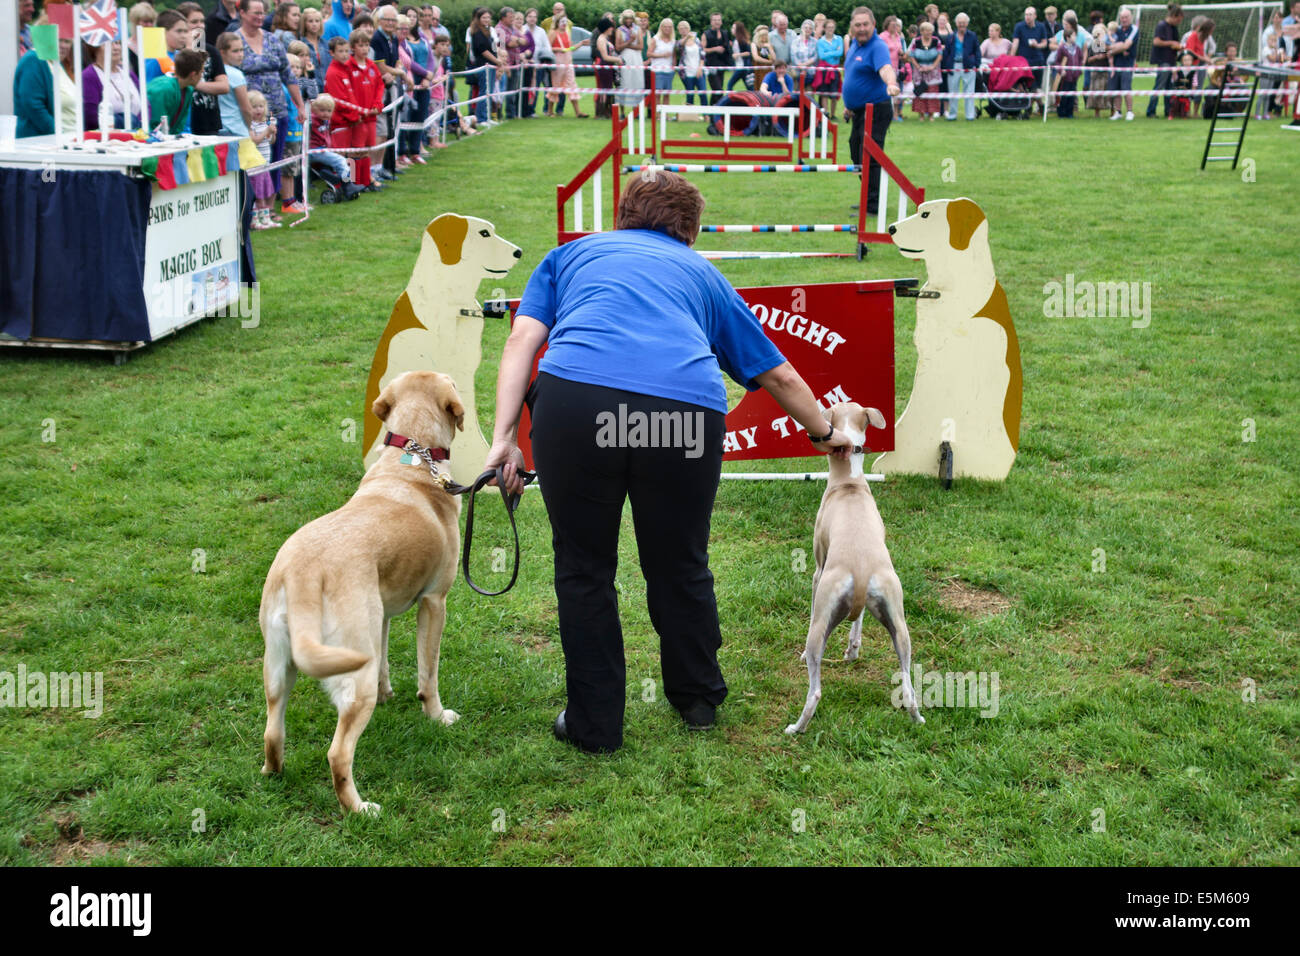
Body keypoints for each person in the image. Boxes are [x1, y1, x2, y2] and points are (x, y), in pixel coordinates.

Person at [485, 171, 854, 754]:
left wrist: (505, 437)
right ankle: (698, 699)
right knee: (681, 561)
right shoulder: (703, 274)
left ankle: (595, 726)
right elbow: (777, 374)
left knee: (583, 570)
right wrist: (825, 431)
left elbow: (520, 343)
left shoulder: (569, 254)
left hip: (576, 406)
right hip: (681, 414)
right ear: (691, 230)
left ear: (622, 214)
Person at [237, 0, 305, 201]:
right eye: (255, 12)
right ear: (242, 12)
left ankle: (270, 204)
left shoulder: (273, 40)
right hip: (250, 112)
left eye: (263, 13)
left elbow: (288, 74)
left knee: (276, 157)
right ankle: (252, 203)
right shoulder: (236, 40)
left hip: (276, 110)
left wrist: (300, 104)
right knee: (254, 159)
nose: (260, 17)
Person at [843, 7, 898, 217]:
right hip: (858, 111)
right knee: (855, 151)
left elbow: (885, 68)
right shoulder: (855, 46)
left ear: (873, 25)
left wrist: (891, 83)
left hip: (875, 110)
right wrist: (848, 105)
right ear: (852, 27)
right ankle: (868, 197)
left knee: (870, 157)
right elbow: (852, 76)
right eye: (858, 25)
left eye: (865, 24)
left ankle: (873, 205)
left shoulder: (877, 47)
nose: (862, 28)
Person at [13, 22, 75, 137]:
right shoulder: (33, 60)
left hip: (66, 140)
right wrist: (57, 133)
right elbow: (33, 105)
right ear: (44, 36)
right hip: (40, 144)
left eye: (67, 41)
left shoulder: (56, 64)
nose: (64, 45)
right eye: (58, 39)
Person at [179, 3, 231, 136]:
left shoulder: (211, 51)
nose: (200, 25)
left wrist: (195, 83)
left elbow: (224, 86)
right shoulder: (175, 52)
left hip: (209, 122)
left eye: (202, 21)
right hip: (184, 122)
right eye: (194, 21)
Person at [308, 95, 367, 196]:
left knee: (342, 161)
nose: (325, 113)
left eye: (329, 111)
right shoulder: (312, 120)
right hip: (314, 150)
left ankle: (342, 182)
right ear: (315, 110)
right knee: (340, 161)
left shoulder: (326, 120)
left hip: (324, 149)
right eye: (322, 110)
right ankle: (347, 185)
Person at [147, 48, 208, 136]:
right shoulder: (163, 89)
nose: (202, 76)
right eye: (201, 72)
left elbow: (179, 124)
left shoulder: (188, 89)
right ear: (193, 75)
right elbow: (156, 124)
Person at [83, 40, 141, 131]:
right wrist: (131, 121)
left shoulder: (129, 74)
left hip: (136, 135)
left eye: (117, 43)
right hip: (107, 139)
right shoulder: (89, 76)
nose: (116, 48)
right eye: (109, 44)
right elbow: (92, 118)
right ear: (95, 48)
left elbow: (145, 106)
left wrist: (138, 125)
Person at [246, 91, 280, 228]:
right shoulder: (250, 125)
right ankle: (255, 221)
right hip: (254, 166)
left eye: (261, 106)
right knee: (257, 195)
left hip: (265, 165)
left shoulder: (263, 123)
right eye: (254, 106)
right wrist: (266, 131)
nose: (258, 109)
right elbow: (255, 141)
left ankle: (265, 219)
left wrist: (272, 134)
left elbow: (270, 142)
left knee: (264, 193)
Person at [466, 7, 502, 125]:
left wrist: (498, 59)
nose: (487, 19)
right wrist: (497, 61)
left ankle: (486, 117)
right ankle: (481, 118)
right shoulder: (476, 32)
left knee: (489, 92)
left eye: (488, 17)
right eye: (484, 17)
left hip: (491, 65)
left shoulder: (488, 31)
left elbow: (494, 47)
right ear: (478, 18)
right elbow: (483, 51)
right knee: (484, 91)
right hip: (483, 65)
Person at [547, 14, 587, 115]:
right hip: (558, 61)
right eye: (562, 22)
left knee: (572, 84)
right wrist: (558, 49)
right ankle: (550, 111)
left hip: (568, 61)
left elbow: (570, 48)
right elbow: (547, 48)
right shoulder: (553, 33)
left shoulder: (566, 33)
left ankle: (578, 112)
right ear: (557, 23)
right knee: (556, 85)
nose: (564, 24)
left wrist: (581, 44)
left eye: (565, 21)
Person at [943, 12, 980, 120]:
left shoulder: (972, 35)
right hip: (953, 65)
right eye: (959, 22)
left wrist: (976, 64)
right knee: (953, 91)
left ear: (967, 23)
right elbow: (947, 53)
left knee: (969, 92)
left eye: (963, 22)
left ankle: (970, 115)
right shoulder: (951, 37)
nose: (961, 25)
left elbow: (977, 51)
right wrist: (947, 65)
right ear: (956, 23)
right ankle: (952, 115)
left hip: (968, 66)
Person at [216, 31, 252, 136]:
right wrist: (251, 128)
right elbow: (246, 108)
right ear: (222, 52)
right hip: (236, 129)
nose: (240, 55)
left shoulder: (211, 71)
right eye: (235, 51)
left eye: (242, 50)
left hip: (217, 127)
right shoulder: (236, 75)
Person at [1011, 6, 1051, 101]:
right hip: (1024, 62)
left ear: (1035, 16)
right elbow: (1015, 43)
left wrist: (1037, 45)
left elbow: (1045, 43)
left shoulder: (1041, 26)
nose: (1027, 17)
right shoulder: (1019, 26)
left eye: (1030, 14)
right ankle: (1031, 108)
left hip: (1038, 60)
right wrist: (1011, 58)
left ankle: (1038, 106)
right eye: (1026, 14)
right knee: (1029, 86)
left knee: (1036, 87)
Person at [1106, 6, 1137, 120]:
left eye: (1126, 17)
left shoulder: (1134, 29)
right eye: (1122, 17)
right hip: (1115, 64)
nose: (1124, 19)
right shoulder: (1116, 29)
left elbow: (1126, 45)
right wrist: (1118, 48)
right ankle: (1118, 112)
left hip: (1127, 65)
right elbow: (1106, 45)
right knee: (1115, 89)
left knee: (1126, 89)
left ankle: (1130, 112)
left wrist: (1114, 49)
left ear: (1131, 17)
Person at [1049, 13, 1083, 117]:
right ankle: (1061, 112)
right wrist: (1061, 70)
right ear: (1068, 37)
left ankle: (1070, 112)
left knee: (1072, 94)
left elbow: (1080, 59)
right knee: (1063, 94)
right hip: (1065, 76)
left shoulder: (1077, 48)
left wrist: (1079, 70)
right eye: (1073, 36)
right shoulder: (1062, 48)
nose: (1075, 37)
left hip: (1074, 76)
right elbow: (1057, 61)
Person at [908, 19, 942, 120]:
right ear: (921, 31)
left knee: (932, 92)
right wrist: (918, 67)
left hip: (933, 70)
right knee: (920, 92)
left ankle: (931, 115)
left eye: (930, 31)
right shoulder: (916, 41)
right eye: (926, 30)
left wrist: (932, 66)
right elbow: (911, 56)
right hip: (919, 71)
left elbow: (940, 55)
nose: (928, 33)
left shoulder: (936, 41)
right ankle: (921, 115)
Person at [615, 8, 644, 107]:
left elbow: (640, 46)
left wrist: (627, 45)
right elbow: (618, 47)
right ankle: (622, 109)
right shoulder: (619, 30)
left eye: (630, 18)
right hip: (625, 57)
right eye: (626, 19)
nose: (628, 21)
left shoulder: (638, 29)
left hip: (636, 58)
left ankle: (636, 108)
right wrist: (629, 41)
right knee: (624, 81)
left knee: (637, 81)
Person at [1083, 23, 1110, 117]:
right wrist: (1096, 57)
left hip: (1105, 71)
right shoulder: (1093, 45)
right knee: (1095, 91)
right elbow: (1088, 59)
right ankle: (1096, 112)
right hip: (1095, 72)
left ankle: (1112, 111)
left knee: (1107, 91)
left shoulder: (1107, 44)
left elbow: (1109, 56)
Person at [702, 11, 729, 103]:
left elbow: (727, 49)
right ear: (711, 22)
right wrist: (714, 49)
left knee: (716, 91)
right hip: (711, 65)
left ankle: (712, 113)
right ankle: (719, 110)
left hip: (722, 65)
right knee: (718, 90)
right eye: (714, 20)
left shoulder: (725, 33)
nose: (717, 22)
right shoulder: (706, 34)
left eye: (719, 20)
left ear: (721, 22)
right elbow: (702, 50)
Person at [649, 18, 676, 107]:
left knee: (667, 94)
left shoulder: (673, 41)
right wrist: (662, 55)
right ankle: (657, 115)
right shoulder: (655, 39)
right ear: (661, 27)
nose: (667, 29)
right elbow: (649, 53)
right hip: (658, 70)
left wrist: (674, 68)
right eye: (665, 27)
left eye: (669, 27)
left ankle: (666, 114)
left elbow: (674, 56)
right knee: (657, 94)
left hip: (669, 71)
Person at [678, 26, 705, 108]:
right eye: (682, 28)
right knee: (690, 95)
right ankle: (690, 114)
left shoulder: (697, 40)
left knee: (703, 93)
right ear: (679, 31)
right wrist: (687, 38)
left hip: (698, 70)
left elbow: (702, 54)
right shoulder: (679, 42)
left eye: (686, 28)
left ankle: (706, 114)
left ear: (689, 29)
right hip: (687, 73)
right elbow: (680, 45)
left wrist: (700, 67)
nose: (684, 30)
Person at [752, 25, 775, 90]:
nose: (764, 37)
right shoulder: (754, 44)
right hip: (758, 71)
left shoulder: (769, 45)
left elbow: (774, 58)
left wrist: (769, 48)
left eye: (766, 35)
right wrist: (768, 62)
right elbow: (756, 57)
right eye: (762, 35)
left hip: (769, 71)